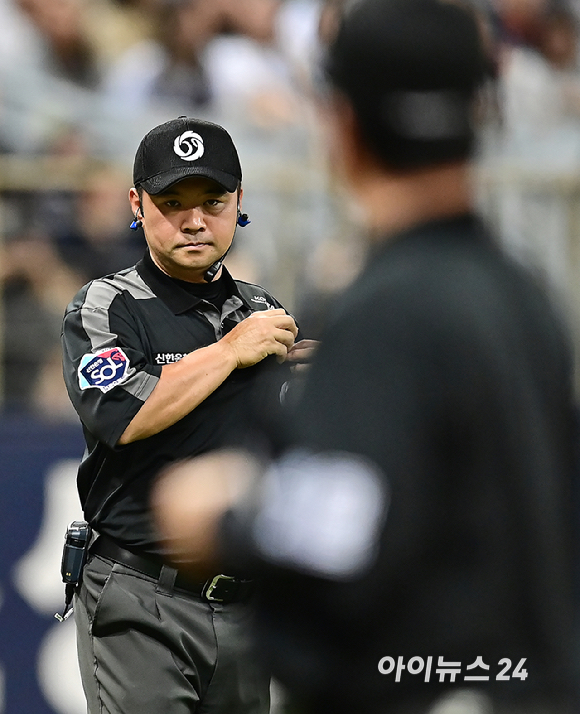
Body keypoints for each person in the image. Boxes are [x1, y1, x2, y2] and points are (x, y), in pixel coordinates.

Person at [152, 2, 580, 714]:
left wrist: (227, 513)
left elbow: (345, 528)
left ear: (343, 124)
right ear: (483, 111)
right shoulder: (524, 294)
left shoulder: (391, 308)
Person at [61, 115, 315, 714]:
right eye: (172, 202)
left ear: (238, 204)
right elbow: (123, 413)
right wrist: (229, 352)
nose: (195, 220)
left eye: (213, 201)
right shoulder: (108, 303)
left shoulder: (261, 309)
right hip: (140, 596)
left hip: (245, 603)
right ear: (137, 204)